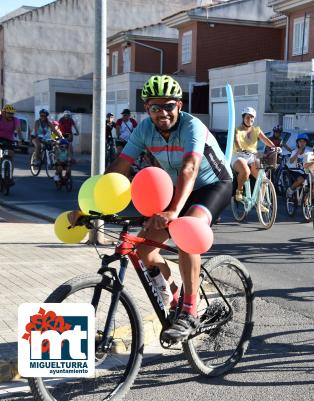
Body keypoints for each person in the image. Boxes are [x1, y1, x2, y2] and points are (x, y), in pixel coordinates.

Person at [72, 75, 233, 341]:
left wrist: (172, 213)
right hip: (177, 187)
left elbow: (189, 168)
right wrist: (88, 207)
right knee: (146, 250)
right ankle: (176, 301)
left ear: (179, 105)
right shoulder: (144, 129)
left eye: (169, 105)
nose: (163, 113)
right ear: (147, 109)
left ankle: (190, 312)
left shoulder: (193, 126)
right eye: (155, 107)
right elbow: (119, 169)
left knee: (185, 233)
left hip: (212, 185)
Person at [231, 106, 277, 202]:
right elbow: (236, 141)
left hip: (252, 156)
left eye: (252, 117)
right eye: (247, 117)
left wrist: (274, 147)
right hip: (239, 156)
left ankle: (260, 203)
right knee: (246, 171)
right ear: (243, 118)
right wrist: (240, 148)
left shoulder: (256, 130)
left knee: (263, 179)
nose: (250, 119)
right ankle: (239, 190)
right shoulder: (237, 130)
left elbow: (265, 139)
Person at [286, 133, 311, 199]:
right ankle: (290, 190)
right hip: (294, 170)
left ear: (306, 143)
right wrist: (298, 152)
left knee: (311, 180)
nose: (302, 143)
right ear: (297, 143)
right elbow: (291, 161)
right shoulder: (294, 151)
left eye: (304, 141)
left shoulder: (308, 152)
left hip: (304, 171)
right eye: (300, 141)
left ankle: (306, 197)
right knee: (301, 179)